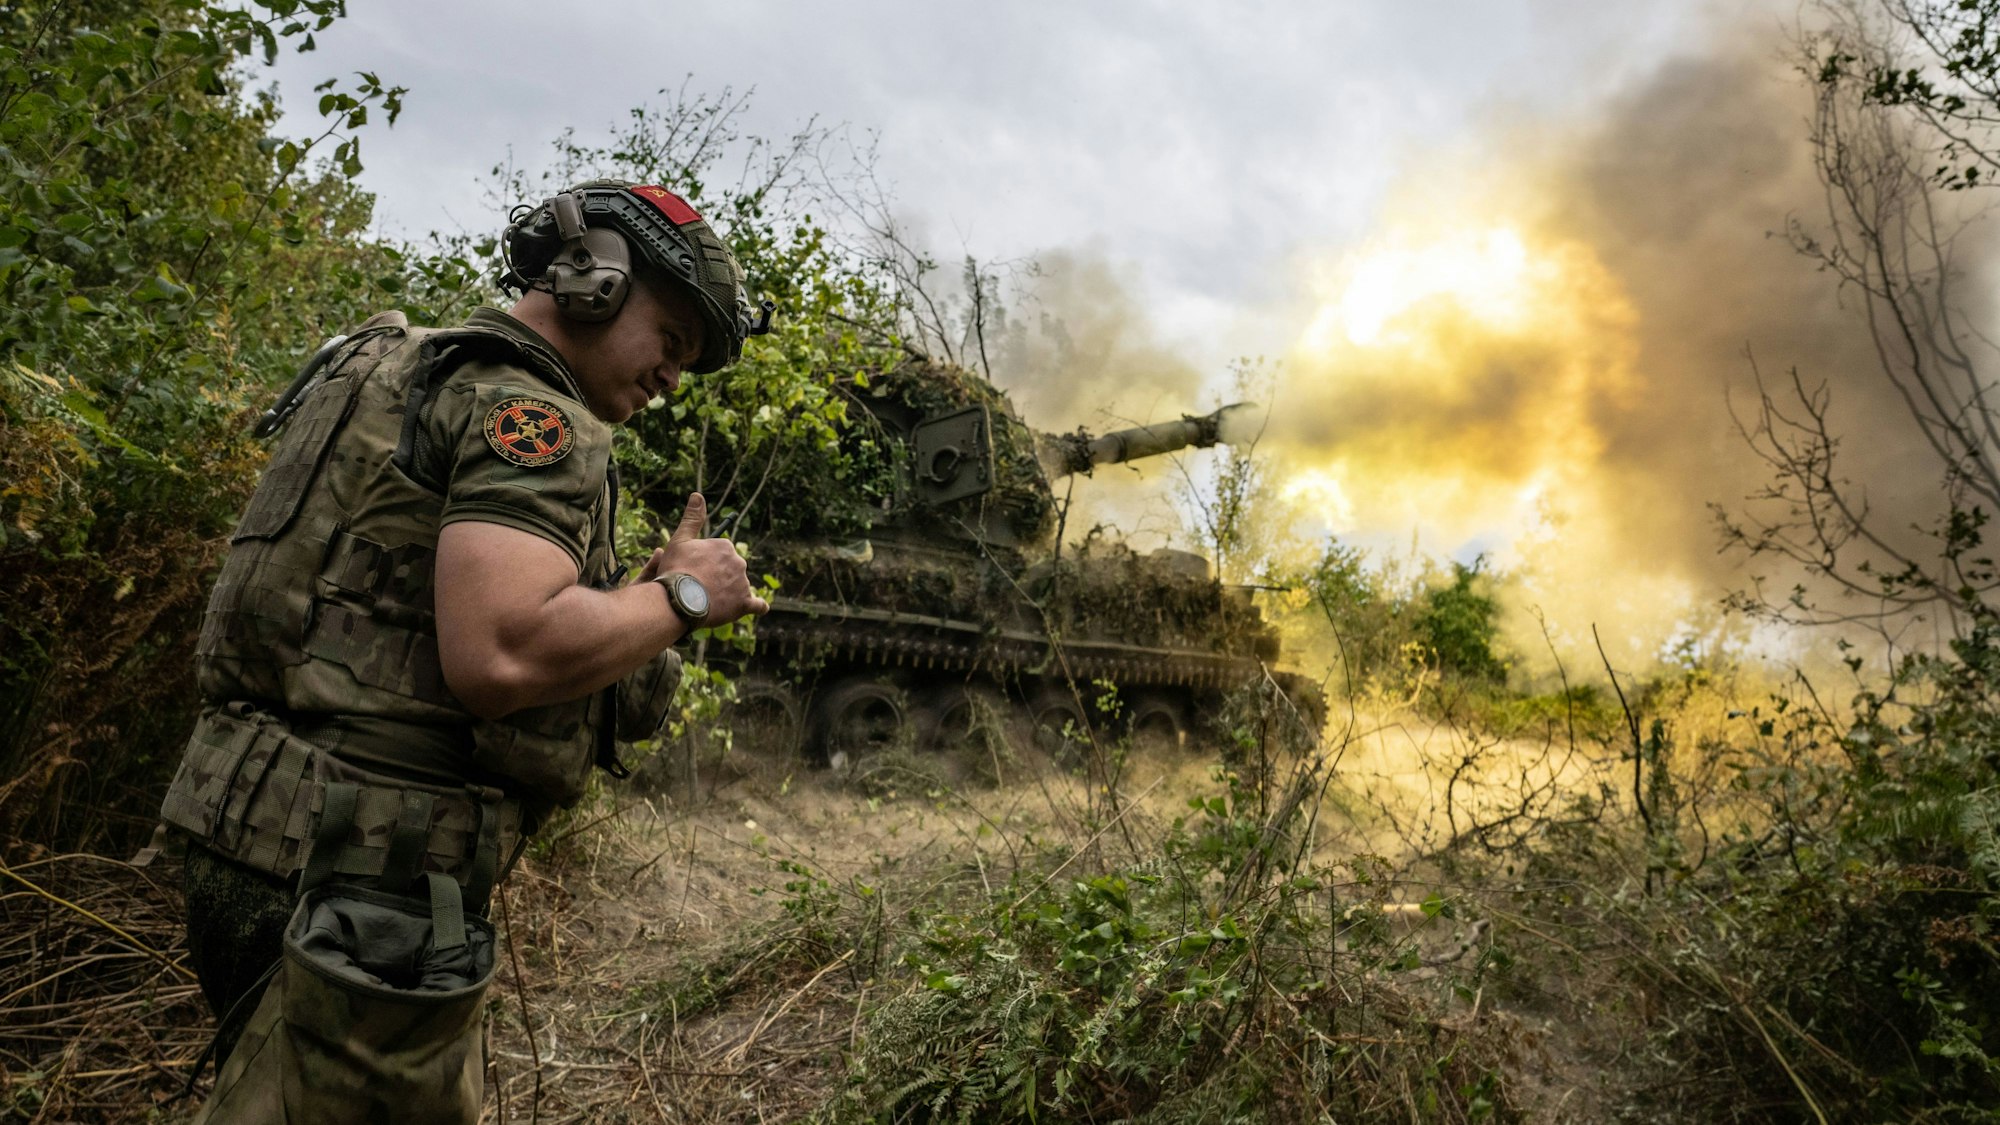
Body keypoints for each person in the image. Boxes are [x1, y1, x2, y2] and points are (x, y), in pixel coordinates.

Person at [152, 180, 771, 1122]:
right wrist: (685, 596)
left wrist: (630, 606)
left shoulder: (395, 367)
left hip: (257, 835)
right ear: (595, 279)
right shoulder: (533, 417)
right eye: (672, 341)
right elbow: (502, 656)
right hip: (361, 878)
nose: (672, 377)